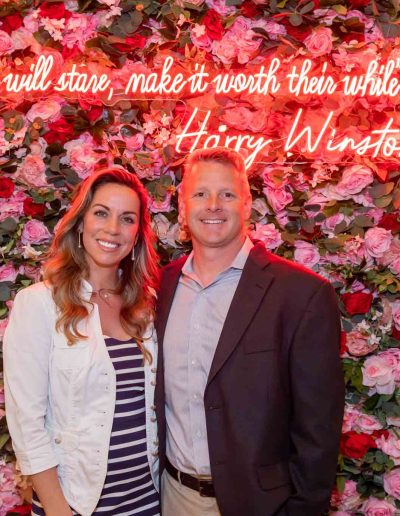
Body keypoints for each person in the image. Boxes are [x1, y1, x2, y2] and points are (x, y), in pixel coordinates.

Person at [155, 147, 345, 516]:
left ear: (247, 205)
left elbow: (318, 429)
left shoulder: (301, 294)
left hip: (262, 505)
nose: (213, 205)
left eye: (227, 194)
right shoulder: (160, 287)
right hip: (171, 496)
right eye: (200, 194)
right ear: (182, 208)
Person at [4, 167, 160, 516]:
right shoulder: (39, 304)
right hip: (76, 505)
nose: (112, 229)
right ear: (81, 222)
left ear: (137, 234)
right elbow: (27, 423)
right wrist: (60, 511)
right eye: (101, 213)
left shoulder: (147, 306)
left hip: (149, 501)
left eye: (127, 218)